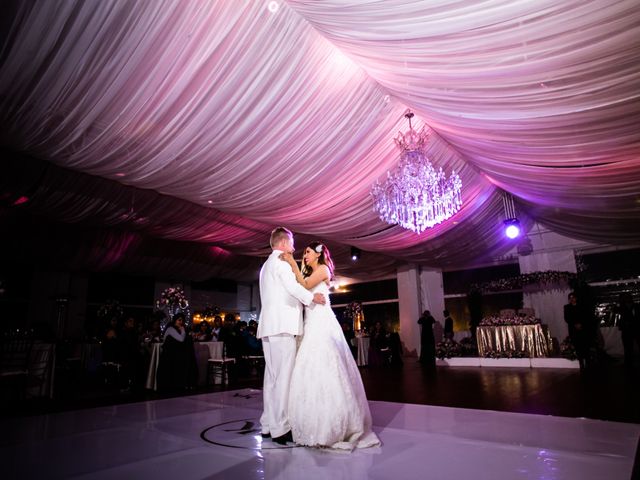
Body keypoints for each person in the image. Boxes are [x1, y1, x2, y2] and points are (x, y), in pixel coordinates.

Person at [280, 241, 380, 450]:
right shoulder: (310, 272)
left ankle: (334, 424)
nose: (304, 255)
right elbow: (304, 289)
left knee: (327, 365)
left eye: (307, 252)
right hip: (311, 322)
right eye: (303, 253)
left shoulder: (323, 269)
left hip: (322, 323)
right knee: (310, 368)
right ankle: (310, 420)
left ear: (318, 254)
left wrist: (291, 262)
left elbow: (305, 286)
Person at [257, 227, 326, 446]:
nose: (294, 247)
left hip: (269, 327)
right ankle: (280, 428)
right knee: (283, 380)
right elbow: (292, 287)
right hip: (283, 326)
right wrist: (311, 297)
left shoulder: (266, 265)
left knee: (271, 379)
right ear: (284, 243)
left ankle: (267, 424)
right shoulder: (281, 263)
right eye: (292, 242)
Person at [563, 292, 592, 370]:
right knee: (578, 347)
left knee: (585, 346)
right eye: (570, 298)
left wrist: (581, 324)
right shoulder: (567, 307)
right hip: (574, 330)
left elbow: (586, 316)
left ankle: (588, 363)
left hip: (583, 329)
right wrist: (575, 324)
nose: (572, 299)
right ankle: (581, 364)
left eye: (573, 297)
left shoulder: (582, 306)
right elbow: (567, 318)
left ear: (576, 298)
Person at [615, 293, 640, 368]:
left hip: (635, 328)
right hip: (627, 329)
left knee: (629, 347)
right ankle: (628, 363)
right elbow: (616, 310)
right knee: (627, 347)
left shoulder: (636, 306)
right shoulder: (623, 307)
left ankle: (628, 363)